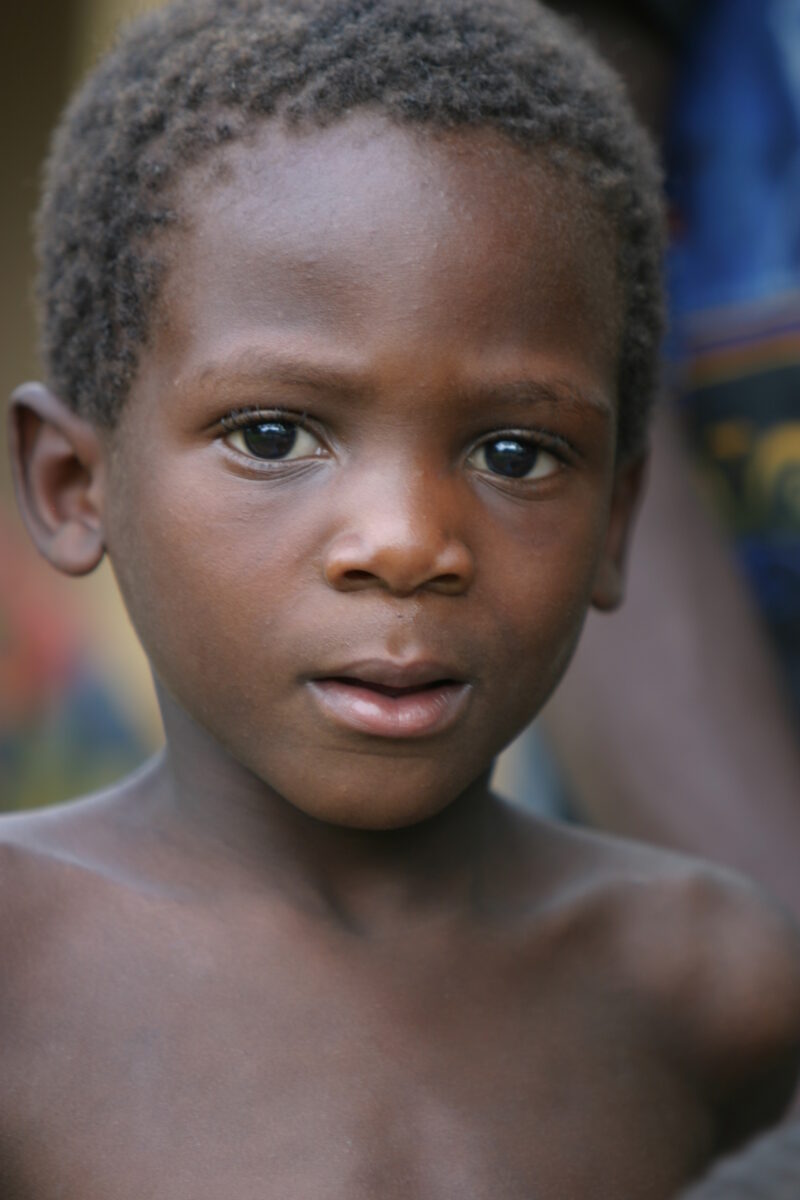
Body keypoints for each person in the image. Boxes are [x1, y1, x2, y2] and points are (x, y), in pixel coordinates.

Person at [3, 2, 800, 1196]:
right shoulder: (21, 970)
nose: (408, 543)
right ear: (74, 486)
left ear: (614, 522)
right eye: (273, 435)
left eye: (514, 454)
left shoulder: (707, 986)